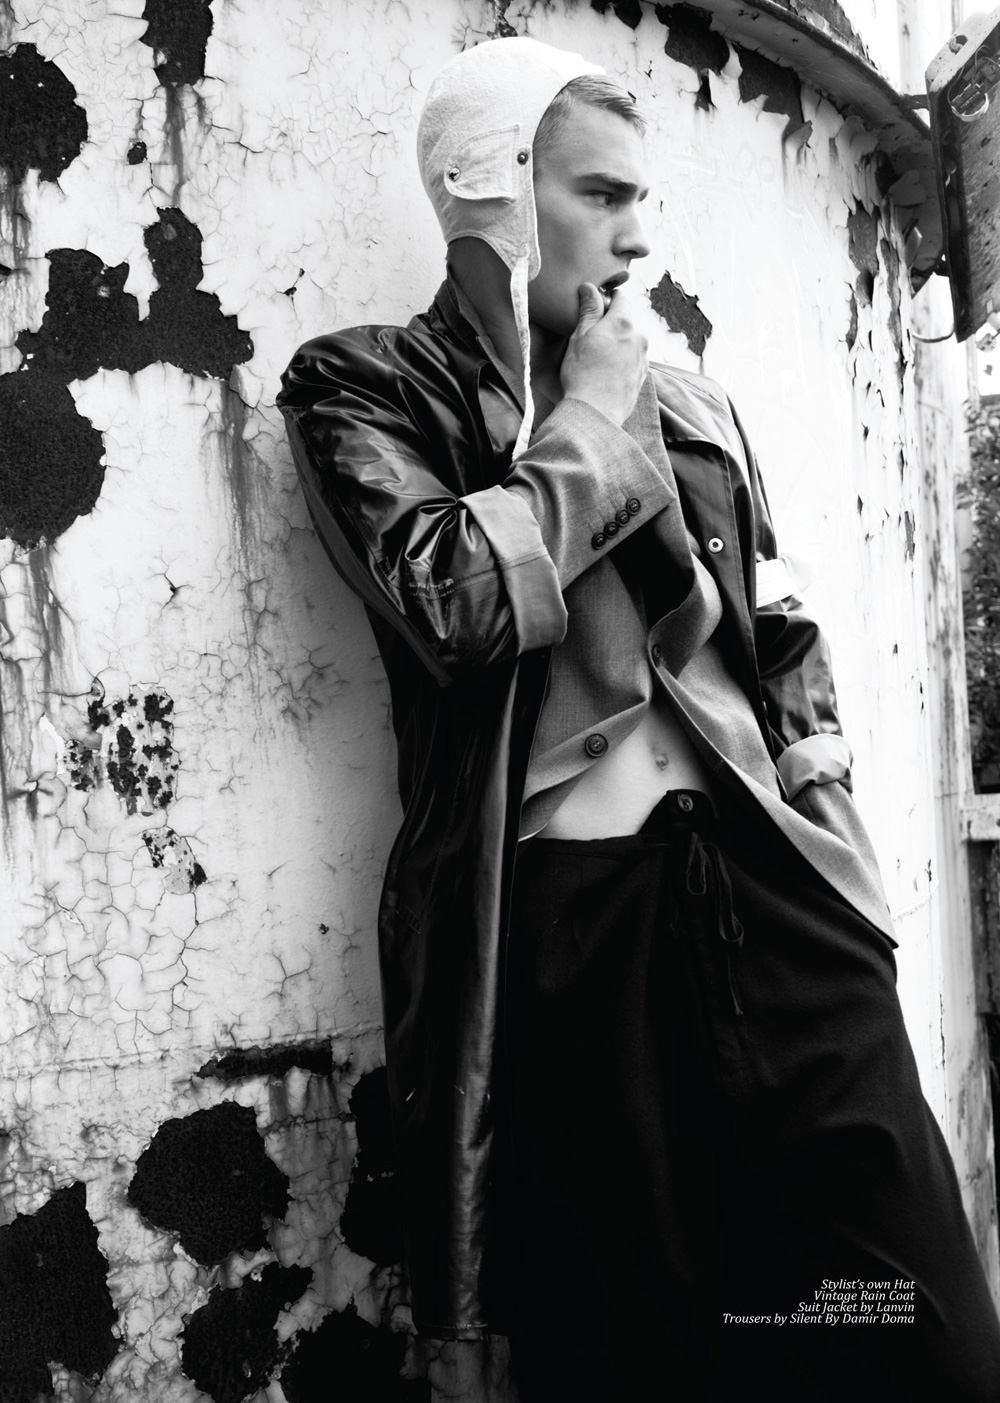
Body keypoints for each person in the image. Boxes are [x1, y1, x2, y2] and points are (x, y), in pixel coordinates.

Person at [278, 35, 1000, 1402]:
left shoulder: (694, 400)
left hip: (784, 913)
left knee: (921, 1342)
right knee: (652, 1356)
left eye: (641, 198)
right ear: (495, 191)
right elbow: (454, 600)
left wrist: (834, 841)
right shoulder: (365, 388)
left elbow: (776, 628)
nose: (638, 236)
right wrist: (594, 418)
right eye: (601, 194)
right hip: (575, 947)